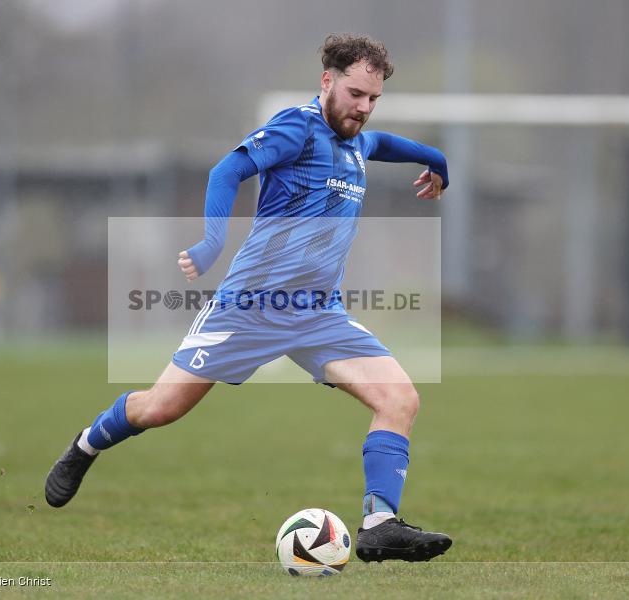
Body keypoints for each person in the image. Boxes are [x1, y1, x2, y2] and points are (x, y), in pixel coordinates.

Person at [46, 34, 452, 563]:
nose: (363, 108)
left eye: (373, 99)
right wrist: (214, 240)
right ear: (327, 81)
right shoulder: (296, 127)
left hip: (317, 314)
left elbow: (390, 145)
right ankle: (86, 445)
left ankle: (379, 524)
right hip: (250, 308)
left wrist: (438, 159)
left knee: (400, 399)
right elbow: (227, 170)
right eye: (355, 94)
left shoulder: (358, 142)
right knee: (161, 407)